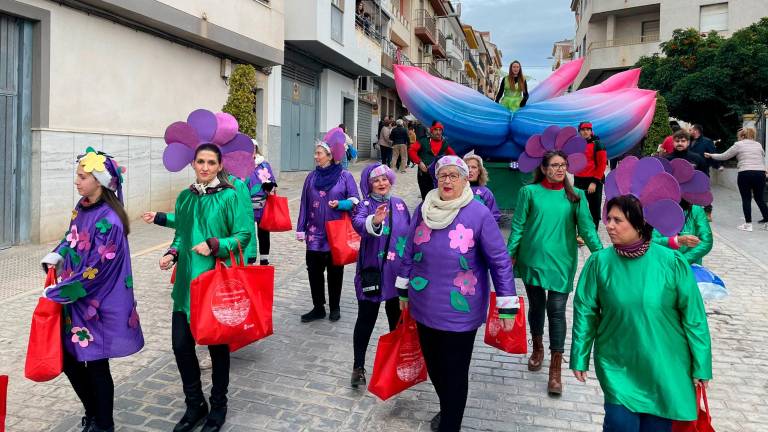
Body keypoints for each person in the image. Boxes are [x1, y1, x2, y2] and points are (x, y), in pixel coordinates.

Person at [571, 160, 712, 430]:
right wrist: (580, 355)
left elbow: (694, 317)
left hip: (664, 364)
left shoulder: (672, 262)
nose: (609, 226)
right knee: (619, 424)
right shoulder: (599, 263)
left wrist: (701, 364)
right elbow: (585, 311)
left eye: (618, 220)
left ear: (638, 224)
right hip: (617, 363)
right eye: (608, 219)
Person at [396, 156, 518, 432]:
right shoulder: (424, 209)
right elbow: (408, 250)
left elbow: (500, 261)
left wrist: (507, 306)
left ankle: (451, 424)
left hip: (461, 310)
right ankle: (448, 407)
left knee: (454, 372)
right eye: (443, 175)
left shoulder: (479, 214)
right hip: (424, 304)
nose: (447, 180)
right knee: (435, 366)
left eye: (454, 176)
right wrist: (403, 290)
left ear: (465, 180)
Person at [41, 147, 144, 432]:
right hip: (78, 300)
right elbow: (71, 237)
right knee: (70, 359)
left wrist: (58, 292)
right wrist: (57, 254)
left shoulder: (110, 220)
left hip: (99, 304)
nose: (77, 181)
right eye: (77, 175)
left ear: (99, 181)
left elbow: (97, 270)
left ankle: (104, 424)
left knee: (97, 365)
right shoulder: (82, 206)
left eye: (83, 176)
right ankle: (93, 412)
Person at [159, 144, 252, 432]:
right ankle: (195, 404)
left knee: (217, 348)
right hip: (186, 287)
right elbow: (181, 235)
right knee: (181, 346)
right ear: (193, 163)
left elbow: (243, 235)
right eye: (200, 161)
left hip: (214, 285)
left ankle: (219, 405)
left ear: (220, 165)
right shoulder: (185, 197)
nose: (205, 167)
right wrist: (172, 253)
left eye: (211, 162)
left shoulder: (230, 196)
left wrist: (215, 245)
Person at [507, 150, 603, 395]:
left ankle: (556, 369)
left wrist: (603, 257)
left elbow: (588, 230)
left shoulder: (576, 196)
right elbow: (518, 226)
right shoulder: (529, 192)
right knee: (537, 306)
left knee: (557, 311)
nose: (560, 169)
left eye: (563, 165)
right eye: (554, 165)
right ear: (544, 168)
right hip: (532, 259)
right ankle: (538, 348)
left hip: (562, 262)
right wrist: (508, 256)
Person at [349, 163, 410, 388]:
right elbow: (358, 224)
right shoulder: (364, 205)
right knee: (366, 319)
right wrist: (374, 221)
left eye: (384, 179)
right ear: (369, 184)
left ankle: (396, 363)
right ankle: (358, 367)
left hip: (397, 274)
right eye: (376, 180)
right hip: (371, 271)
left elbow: (410, 235)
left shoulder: (400, 204)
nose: (381, 183)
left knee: (396, 320)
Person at [296, 130, 361, 323]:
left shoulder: (344, 176)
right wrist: (301, 228)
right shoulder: (311, 177)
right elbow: (304, 203)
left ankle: (335, 307)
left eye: (319, 153)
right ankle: (318, 307)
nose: (315, 156)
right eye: (315, 153)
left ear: (330, 156)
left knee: (335, 272)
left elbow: (356, 201)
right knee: (314, 272)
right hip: (314, 233)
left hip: (336, 233)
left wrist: (341, 204)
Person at [705, 127, 768, 231]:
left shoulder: (738, 144)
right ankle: (767, 221)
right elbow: (762, 158)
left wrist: (710, 155)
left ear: (742, 136)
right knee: (759, 198)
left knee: (746, 199)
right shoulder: (758, 145)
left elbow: (724, 156)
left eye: (739, 136)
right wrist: (764, 169)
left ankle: (748, 224)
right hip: (760, 173)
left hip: (745, 173)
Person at [246, 140, 278, 265]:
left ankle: (264, 258)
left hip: (262, 205)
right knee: (248, 232)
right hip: (246, 205)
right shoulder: (240, 166)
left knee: (263, 232)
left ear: (256, 150)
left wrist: (270, 186)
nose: (251, 152)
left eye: (253, 149)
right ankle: (249, 257)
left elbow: (272, 181)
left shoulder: (264, 165)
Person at [652, 200, 712, 265]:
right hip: (664, 264)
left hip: (689, 265)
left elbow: (706, 241)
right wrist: (675, 240)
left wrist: (683, 260)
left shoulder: (696, 209)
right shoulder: (660, 210)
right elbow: (652, 240)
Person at [408, 121, 456, 200]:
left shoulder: (444, 143)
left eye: (440, 130)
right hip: (424, 174)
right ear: (431, 130)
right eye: (435, 130)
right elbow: (411, 150)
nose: (438, 132)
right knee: (426, 197)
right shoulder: (423, 141)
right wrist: (419, 162)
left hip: (439, 175)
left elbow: (453, 156)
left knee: (439, 197)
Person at [573, 122, 607, 229]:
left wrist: (594, 182)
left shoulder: (598, 145)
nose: (586, 132)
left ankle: (593, 231)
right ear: (579, 132)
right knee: (579, 207)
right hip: (578, 181)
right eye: (583, 130)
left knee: (594, 209)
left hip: (593, 181)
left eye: (588, 129)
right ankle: (581, 231)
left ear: (591, 131)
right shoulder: (576, 145)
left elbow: (602, 165)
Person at [689, 124, 719, 219]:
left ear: (696, 131)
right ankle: (693, 213)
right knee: (691, 192)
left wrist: (716, 165)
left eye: (690, 130)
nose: (689, 132)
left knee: (704, 191)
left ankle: (708, 212)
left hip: (703, 171)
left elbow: (713, 154)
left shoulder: (707, 141)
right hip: (690, 172)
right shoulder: (689, 141)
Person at [463, 154, 501, 223]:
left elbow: (494, 216)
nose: (470, 170)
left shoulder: (486, 192)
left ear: (479, 171)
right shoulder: (456, 190)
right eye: (467, 167)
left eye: (474, 167)